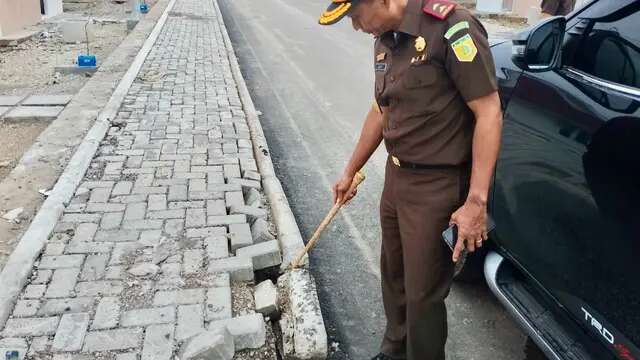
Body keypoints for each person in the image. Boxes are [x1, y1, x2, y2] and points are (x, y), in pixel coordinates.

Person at [318, 0, 503, 359]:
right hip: (397, 177)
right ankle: (394, 351)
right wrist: (350, 170)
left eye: (356, 16)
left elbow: (489, 112)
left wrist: (476, 202)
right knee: (395, 278)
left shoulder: (452, 27)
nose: (356, 27)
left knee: (423, 296)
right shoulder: (385, 40)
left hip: (437, 185)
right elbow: (381, 109)